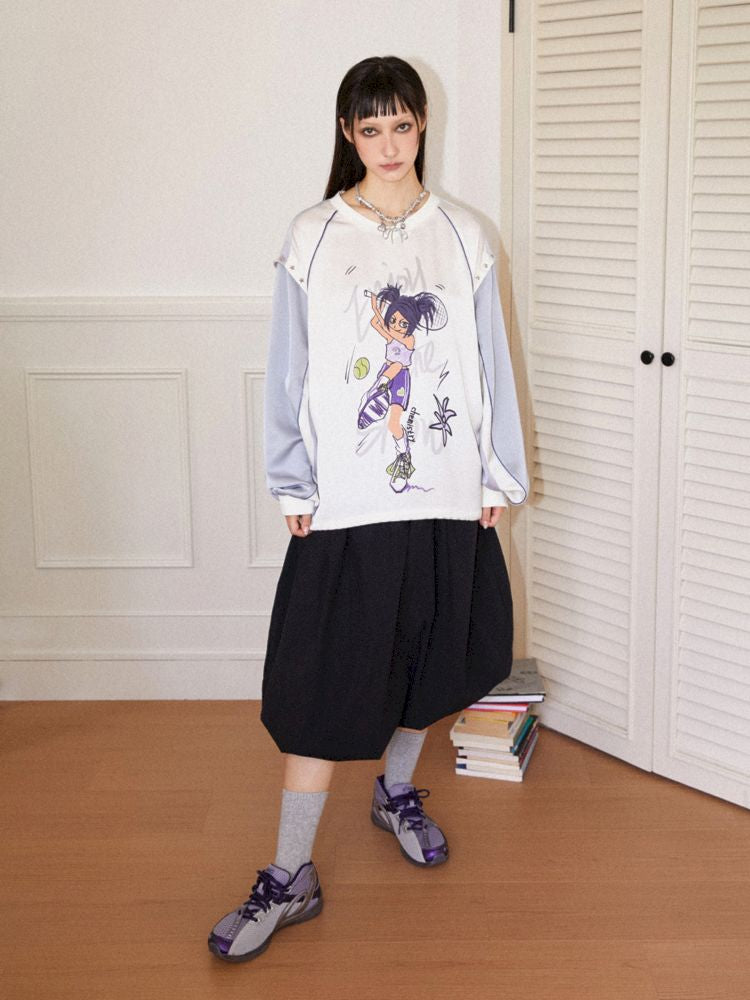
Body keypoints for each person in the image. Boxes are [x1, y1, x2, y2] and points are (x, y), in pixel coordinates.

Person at [208, 55, 529, 963]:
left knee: (429, 661)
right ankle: (290, 874)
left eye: (402, 125)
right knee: (315, 687)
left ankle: (394, 794)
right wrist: (292, 478)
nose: (388, 145)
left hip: (448, 493)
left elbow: (492, 364)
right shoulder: (313, 234)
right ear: (349, 134)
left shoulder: (465, 235)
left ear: (423, 125)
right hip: (346, 502)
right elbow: (289, 366)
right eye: (370, 128)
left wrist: (497, 476)